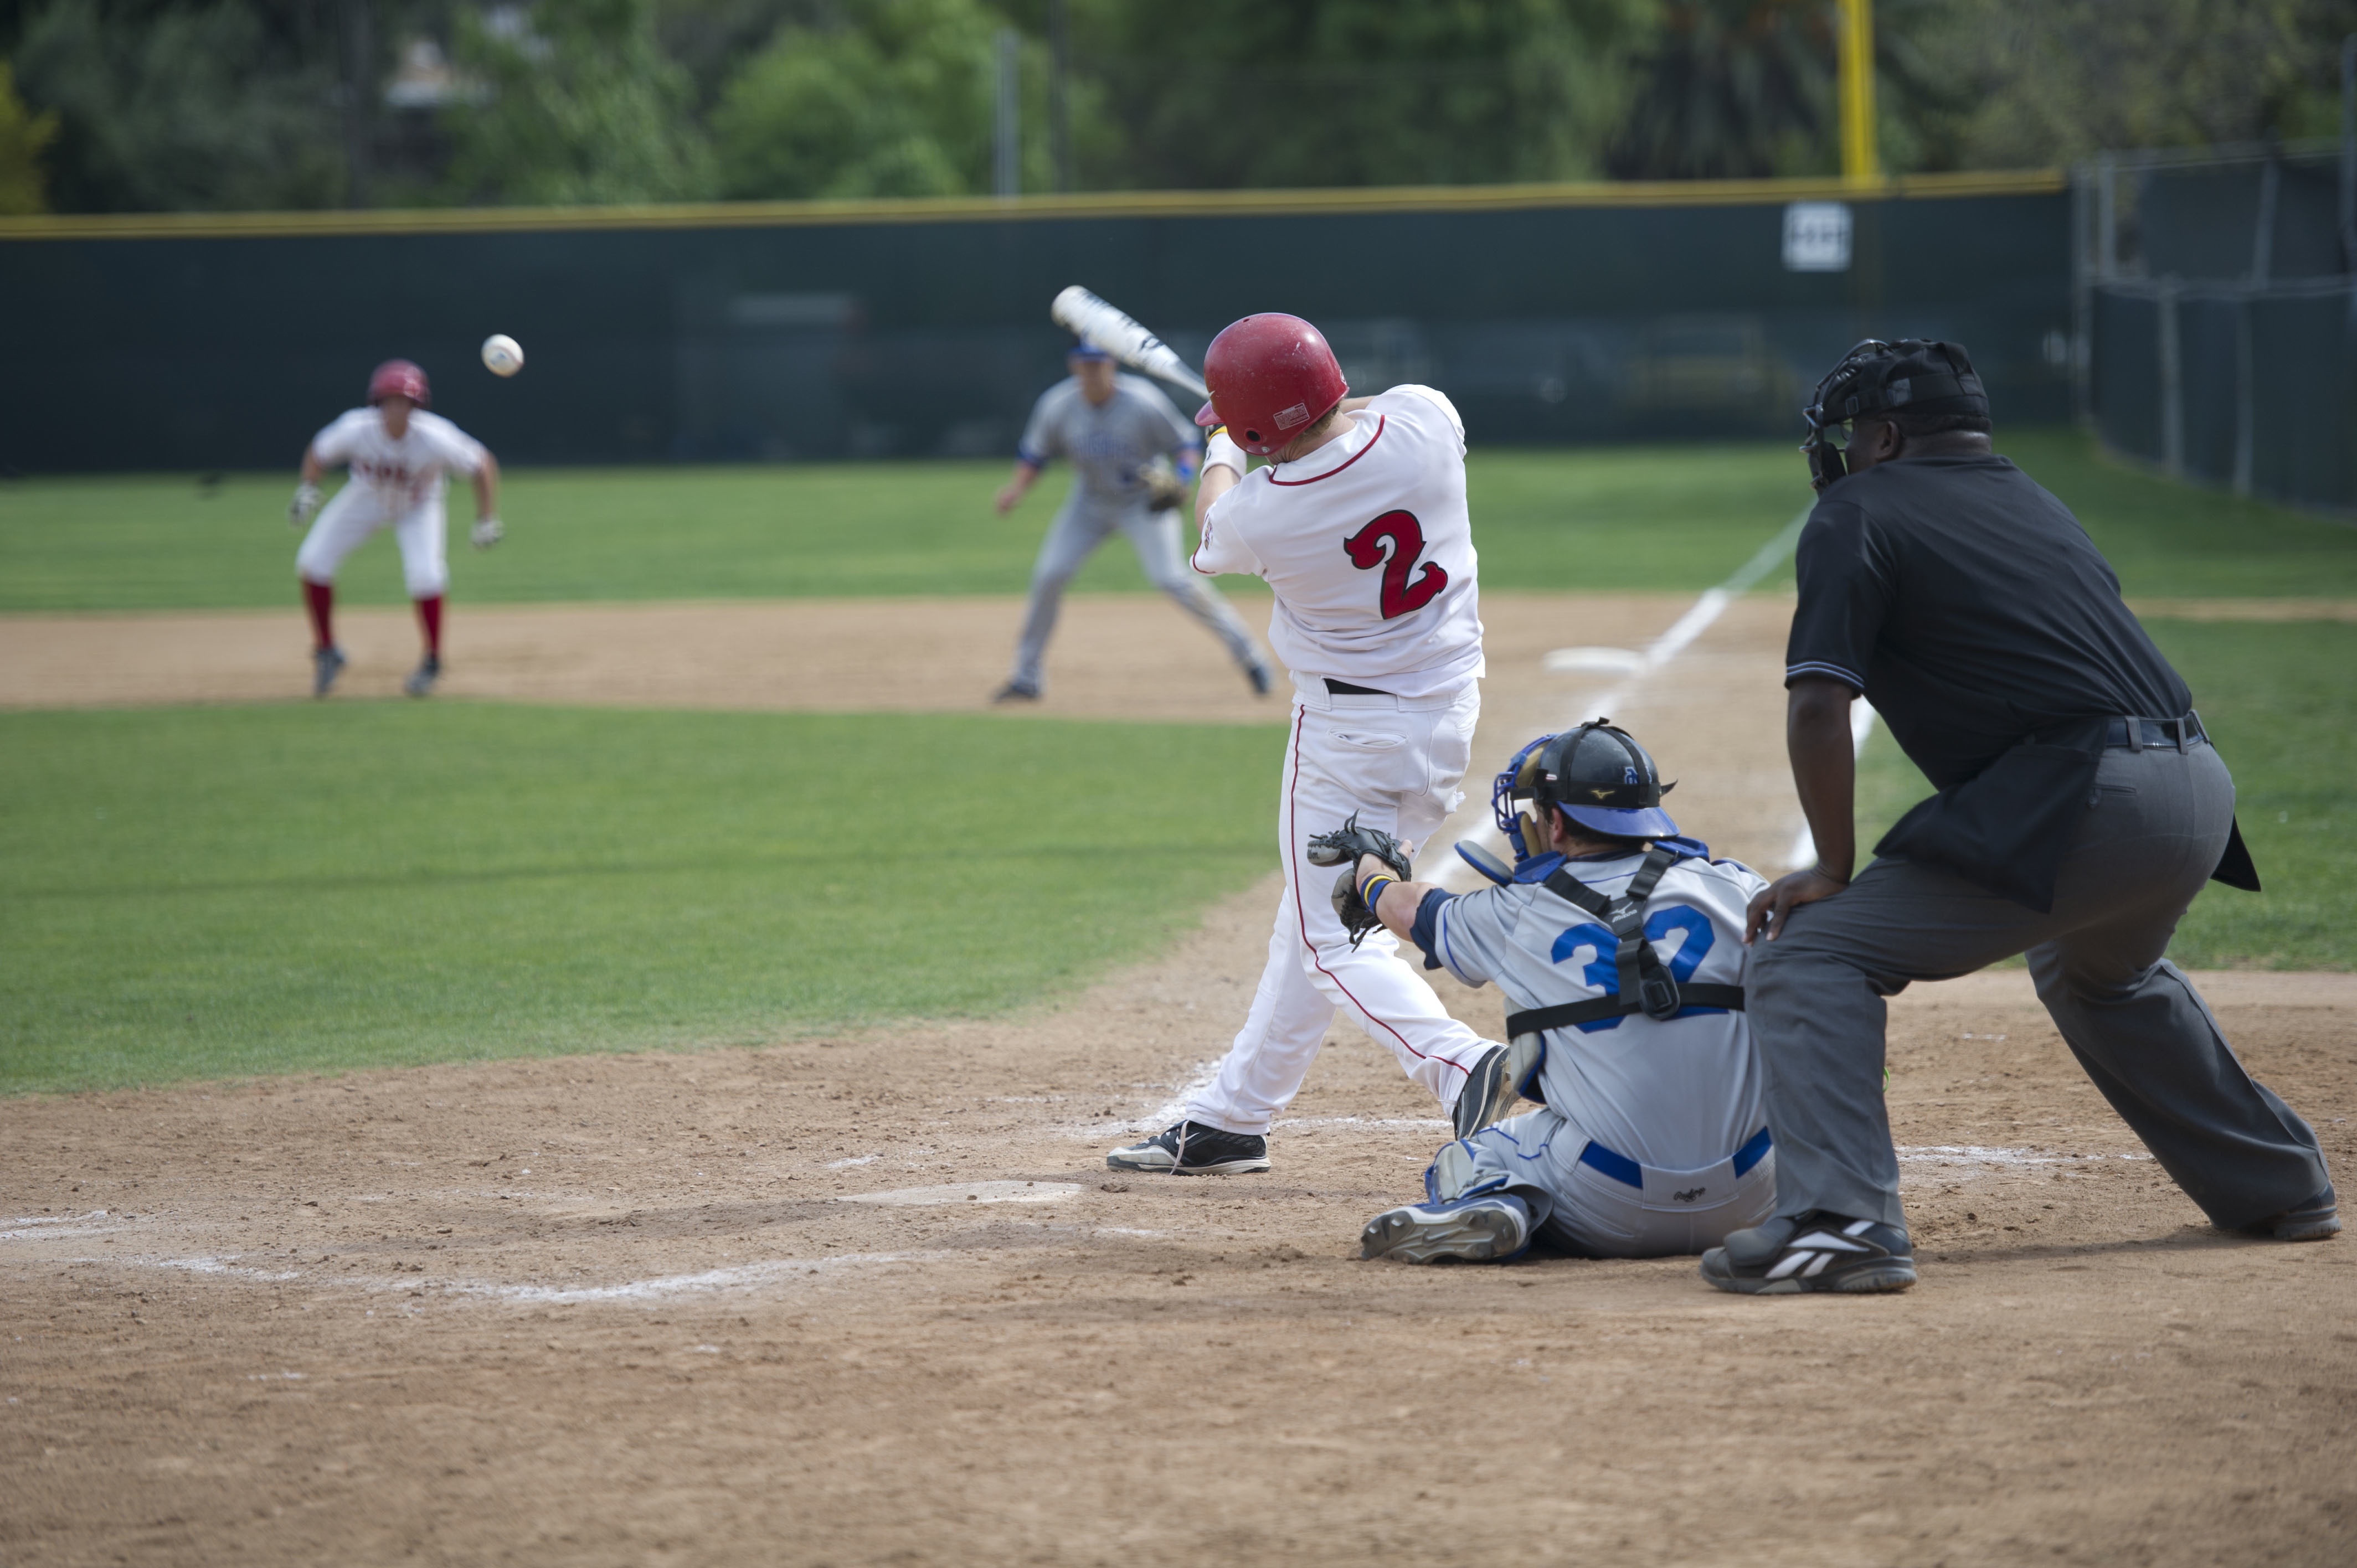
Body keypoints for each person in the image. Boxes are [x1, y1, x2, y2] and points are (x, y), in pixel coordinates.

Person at [1709, 338, 2337, 1296]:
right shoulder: (2033, 497)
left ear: (1882, 437)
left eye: (1850, 434)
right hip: (2198, 784)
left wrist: (1829, 863)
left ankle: (1842, 1223)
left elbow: (1816, 704)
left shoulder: (1857, 509)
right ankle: (2278, 1182)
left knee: (1810, 950)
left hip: (2091, 797)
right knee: (2102, 977)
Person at [1106, 313, 1512, 1177]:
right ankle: (1232, 1119)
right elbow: (1352, 414)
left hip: (1349, 736)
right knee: (1313, 918)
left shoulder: (1264, 514)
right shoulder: (1428, 422)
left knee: (1334, 939)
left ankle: (1464, 1067)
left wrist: (1221, 444)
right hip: (1445, 717)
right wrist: (1266, 419)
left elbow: (1209, 538)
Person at [1336, 722, 1776, 1262]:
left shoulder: (1517, 912)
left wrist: (1371, 874)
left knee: (1473, 1156)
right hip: (1756, 1198)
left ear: (1558, 822)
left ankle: (1505, 1205)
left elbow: (1408, 909)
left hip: (1608, 1206)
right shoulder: (1734, 886)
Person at [992, 341, 1271, 702]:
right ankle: (1026, 679)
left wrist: (1184, 477)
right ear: (1074, 366)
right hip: (1089, 504)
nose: (1094, 371)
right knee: (1049, 575)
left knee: (1171, 579)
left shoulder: (1142, 401)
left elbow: (1185, 442)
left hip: (1145, 502)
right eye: (1087, 364)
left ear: (1113, 365)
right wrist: (1016, 490)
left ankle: (1250, 656)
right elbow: (1035, 454)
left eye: (1100, 363)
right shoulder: (1058, 405)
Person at [288, 359, 502, 698]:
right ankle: (327, 650)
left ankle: (432, 660)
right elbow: (319, 452)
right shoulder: (356, 428)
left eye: (404, 401)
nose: (396, 408)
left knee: (427, 576)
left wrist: (486, 519)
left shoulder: (434, 435)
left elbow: (482, 464)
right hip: (366, 498)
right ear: (377, 403)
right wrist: (309, 488)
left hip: (419, 506)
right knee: (313, 563)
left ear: (417, 405)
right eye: (389, 401)